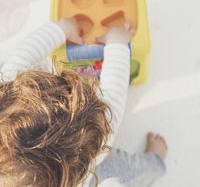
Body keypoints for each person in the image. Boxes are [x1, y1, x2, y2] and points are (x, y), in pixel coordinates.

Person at [0, 17, 167, 187]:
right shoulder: (94, 144)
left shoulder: (5, 93)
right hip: (89, 175)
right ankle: (155, 162)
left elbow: (22, 56)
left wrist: (62, 29)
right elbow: (113, 98)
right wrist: (117, 44)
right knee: (124, 174)